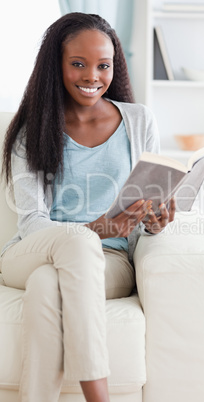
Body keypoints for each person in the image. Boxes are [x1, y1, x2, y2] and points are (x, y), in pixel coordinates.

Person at [0, 12, 175, 402]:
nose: (92, 76)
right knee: (76, 243)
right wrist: (95, 229)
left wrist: (155, 221)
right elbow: (31, 220)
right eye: (77, 63)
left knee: (47, 285)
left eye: (103, 65)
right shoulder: (31, 130)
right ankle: (100, 397)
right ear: (55, 65)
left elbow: (147, 209)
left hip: (109, 261)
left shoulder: (139, 120)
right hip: (30, 251)